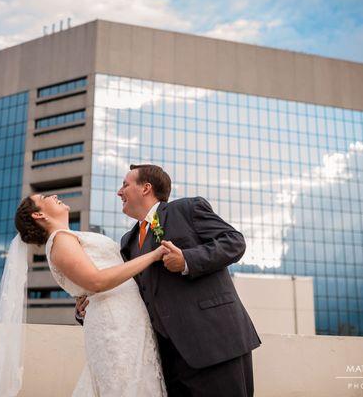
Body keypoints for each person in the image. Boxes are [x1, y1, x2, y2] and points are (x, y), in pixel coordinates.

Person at [76, 164, 262, 396]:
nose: (119, 192)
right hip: (166, 360)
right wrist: (92, 307)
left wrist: (187, 259)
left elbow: (234, 242)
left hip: (215, 344)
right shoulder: (127, 242)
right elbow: (129, 292)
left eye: (125, 184)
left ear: (146, 188)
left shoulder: (187, 209)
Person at [13, 193, 169, 396]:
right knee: (125, 383)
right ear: (38, 214)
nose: (55, 195)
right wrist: (154, 255)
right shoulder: (60, 240)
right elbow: (96, 281)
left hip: (128, 318)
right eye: (45, 197)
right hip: (114, 322)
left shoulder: (68, 237)